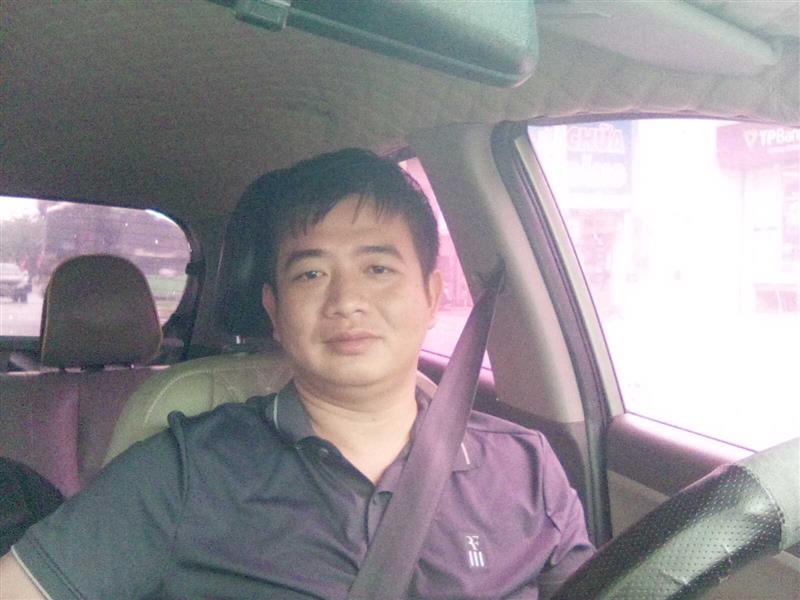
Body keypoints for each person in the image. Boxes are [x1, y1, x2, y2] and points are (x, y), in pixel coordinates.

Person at [0, 149, 593, 599]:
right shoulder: (184, 471)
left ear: (432, 297)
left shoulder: (527, 469)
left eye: (378, 269)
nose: (347, 301)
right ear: (275, 311)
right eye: (311, 274)